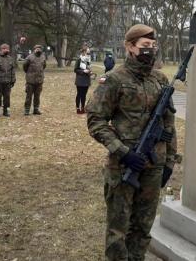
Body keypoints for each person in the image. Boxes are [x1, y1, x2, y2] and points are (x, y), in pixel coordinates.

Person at [87, 24, 178, 261]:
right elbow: (96, 121)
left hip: (153, 167)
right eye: (145, 46)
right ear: (129, 47)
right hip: (123, 167)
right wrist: (123, 152)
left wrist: (169, 162)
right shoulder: (114, 80)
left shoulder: (160, 80)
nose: (150, 50)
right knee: (118, 230)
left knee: (143, 228)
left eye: (153, 46)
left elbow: (169, 126)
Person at [0, 43, 16, 117]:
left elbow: (13, 70)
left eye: (8, 49)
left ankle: (6, 111)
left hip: (8, 81)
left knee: (7, 97)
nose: (6, 50)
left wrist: (13, 80)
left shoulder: (10, 59)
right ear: (1, 49)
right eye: (5, 48)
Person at [23, 44, 46, 115]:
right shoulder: (29, 57)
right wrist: (29, 74)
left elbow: (44, 66)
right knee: (29, 96)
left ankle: (36, 109)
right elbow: (25, 66)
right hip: (30, 80)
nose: (38, 50)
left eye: (39, 48)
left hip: (39, 80)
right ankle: (27, 110)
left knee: (37, 96)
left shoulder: (43, 57)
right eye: (37, 48)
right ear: (34, 49)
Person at [74, 46, 92, 114]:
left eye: (89, 52)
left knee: (84, 95)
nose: (88, 53)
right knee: (79, 94)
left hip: (86, 80)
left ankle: (83, 108)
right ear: (83, 52)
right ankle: (78, 108)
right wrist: (83, 71)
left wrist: (90, 72)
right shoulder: (79, 59)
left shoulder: (88, 60)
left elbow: (89, 68)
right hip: (80, 80)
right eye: (87, 52)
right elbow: (75, 70)